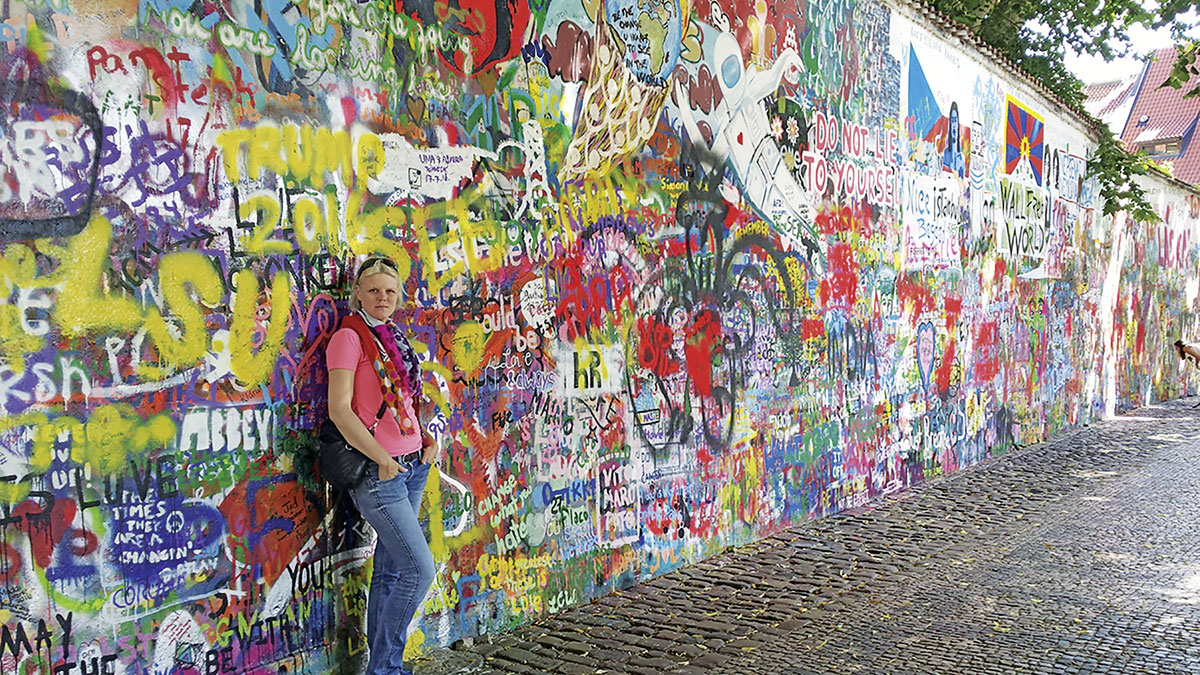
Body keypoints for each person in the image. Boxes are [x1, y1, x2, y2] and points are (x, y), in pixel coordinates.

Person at [326, 256, 437, 675]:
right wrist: (382, 458)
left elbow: (403, 401)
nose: (382, 298)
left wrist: (425, 438)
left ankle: (381, 667)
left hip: (413, 464)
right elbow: (340, 410)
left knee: (391, 572)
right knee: (418, 570)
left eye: (390, 291)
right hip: (380, 472)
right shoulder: (348, 338)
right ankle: (386, 669)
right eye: (373, 290)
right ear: (357, 292)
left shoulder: (394, 337)